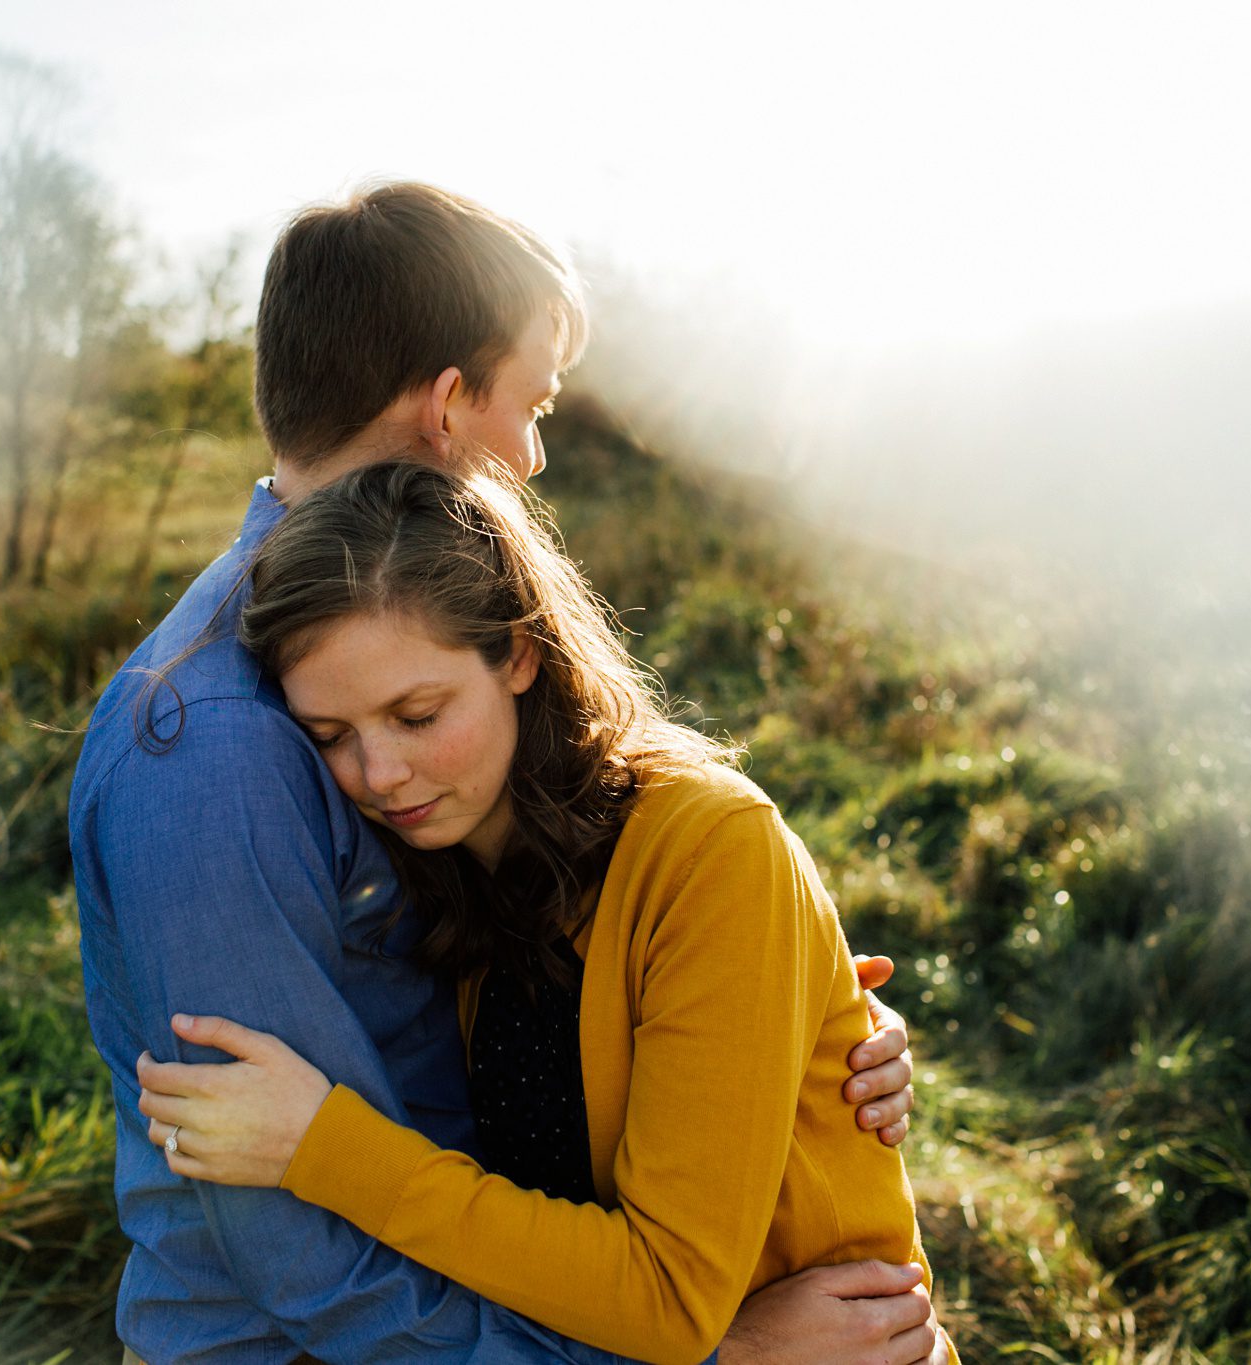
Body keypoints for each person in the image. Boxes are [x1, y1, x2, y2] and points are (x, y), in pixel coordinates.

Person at [70, 182, 932, 1363]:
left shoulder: (490, 802)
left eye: (417, 714)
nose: (531, 458)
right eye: (530, 407)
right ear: (444, 409)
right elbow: (300, 1265)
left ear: (513, 659)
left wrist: (797, 1029)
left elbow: (634, 972)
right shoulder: (216, 741)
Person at [132, 461, 957, 1365]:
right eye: (331, 735)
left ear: (519, 653)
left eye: (417, 714)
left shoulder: (710, 847)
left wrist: (327, 1147)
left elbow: (669, 1299)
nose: (377, 774)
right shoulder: (439, 872)